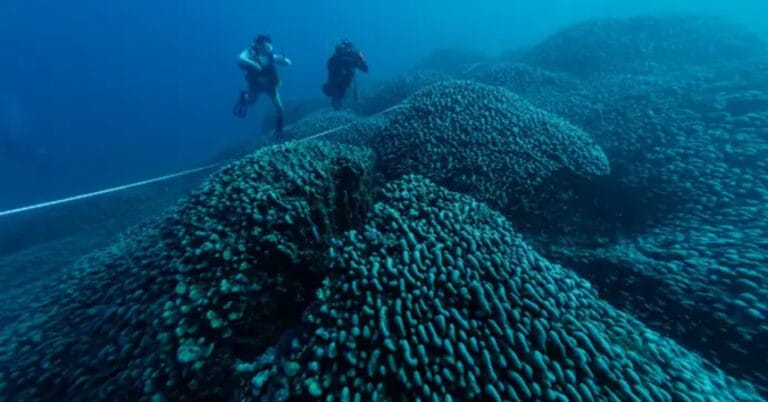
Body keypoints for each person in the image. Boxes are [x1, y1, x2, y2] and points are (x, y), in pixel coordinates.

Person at [233, 34, 292, 140]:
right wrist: (252, 63)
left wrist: (285, 60)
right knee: (251, 101)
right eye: (263, 45)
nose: (266, 48)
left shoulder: (270, 55)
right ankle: (243, 97)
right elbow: (240, 59)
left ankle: (279, 128)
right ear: (259, 45)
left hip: (270, 85)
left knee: (279, 107)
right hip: (255, 85)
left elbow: (284, 61)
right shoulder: (250, 54)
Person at [322, 40, 368, 110]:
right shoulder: (347, 60)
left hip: (340, 85)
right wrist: (362, 59)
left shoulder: (334, 59)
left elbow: (365, 69)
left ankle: (338, 108)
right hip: (339, 85)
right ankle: (338, 108)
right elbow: (365, 69)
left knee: (338, 97)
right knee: (338, 97)